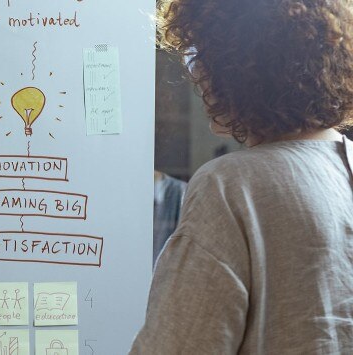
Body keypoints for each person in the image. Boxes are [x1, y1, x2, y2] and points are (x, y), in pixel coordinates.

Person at [131, 0, 353, 353]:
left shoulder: (232, 186)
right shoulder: (344, 164)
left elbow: (179, 344)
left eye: (198, 56)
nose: (195, 74)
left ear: (236, 68)